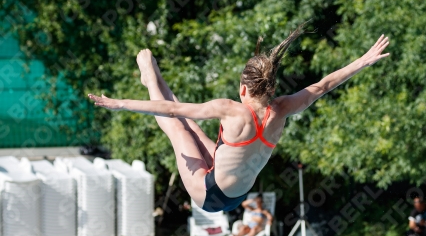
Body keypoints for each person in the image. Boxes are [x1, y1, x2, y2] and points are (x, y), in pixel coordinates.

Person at [88, 23, 390, 213]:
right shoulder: (282, 108)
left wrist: (121, 103)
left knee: (181, 131)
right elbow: (323, 85)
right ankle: (156, 78)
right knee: (190, 127)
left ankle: (152, 82)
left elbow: (172, 110)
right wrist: (363, 60)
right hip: (235, 193)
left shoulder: (231, 109)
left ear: (243, 88)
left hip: (209, 195)